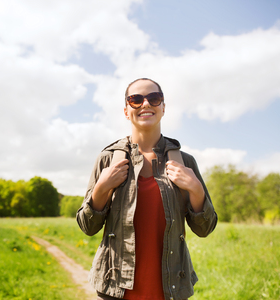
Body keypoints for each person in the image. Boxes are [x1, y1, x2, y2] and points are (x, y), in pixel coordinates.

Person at [76, 78, 217, 300]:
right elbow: (87, 226)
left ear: (163, 107)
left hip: (170, 291)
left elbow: (205, 228)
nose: (145, 104)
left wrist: (197, 190)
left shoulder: (185, 162)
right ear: (126, 110)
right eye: (136, 99)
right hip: (115, 291)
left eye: (154, 98)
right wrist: (101, 188)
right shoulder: (108, 160)